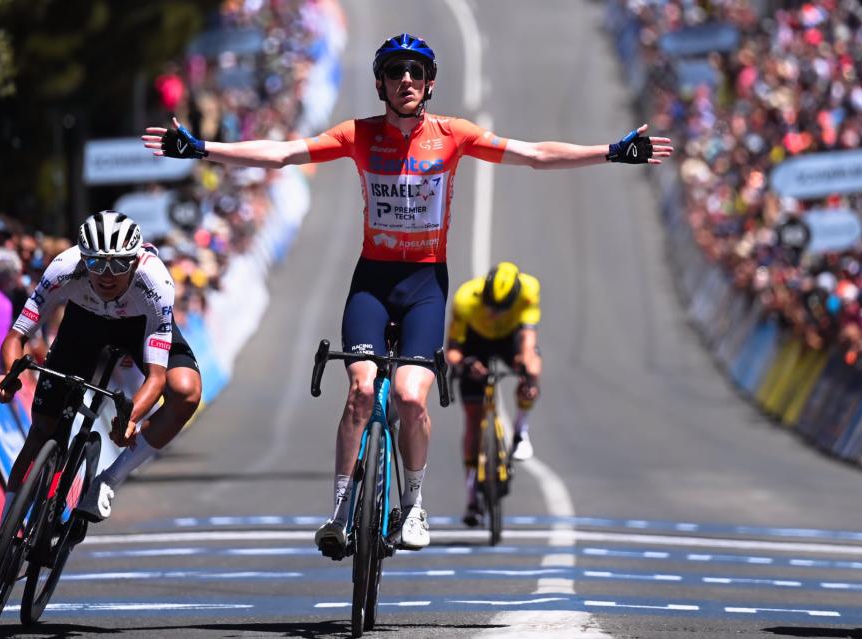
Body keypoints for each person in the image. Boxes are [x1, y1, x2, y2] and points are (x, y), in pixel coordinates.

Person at [143, 33, 672, 552]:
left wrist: (611, 152)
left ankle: (414, 505)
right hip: (371, 282)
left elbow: (533, 154)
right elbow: (282, 154)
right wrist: (202, 148)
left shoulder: (454, 135)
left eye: (415, 72)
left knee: (410, 395)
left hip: (425, 285)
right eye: (395, 72)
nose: (405, 81)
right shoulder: (358, 135)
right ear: (381, 84)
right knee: (358, 392)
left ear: (430, 83)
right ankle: (339, 511)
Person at [0, 211, 203, 593]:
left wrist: (131, 417)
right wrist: (10, 375)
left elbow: (157, 377)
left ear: (135, 260)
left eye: (118, 264)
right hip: (84, 323)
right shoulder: (63, 268)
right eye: (96, 262)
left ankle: (108, 480)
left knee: (186, 391)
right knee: (41, 432)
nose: (107, 274)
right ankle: (1, 552)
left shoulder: (155, 281)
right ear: (83, 258)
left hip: (138, 324)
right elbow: (18, 336)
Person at [445, 262, 542, 526]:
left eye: (501, 309)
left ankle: (521, 432)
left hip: (509, 340)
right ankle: (472, 501)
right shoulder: (466, 298)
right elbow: (452, 351)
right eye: (490, 305)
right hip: (475, 344)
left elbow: (527, 339)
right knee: (474, 420)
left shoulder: (529, 290)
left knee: (532, 364)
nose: (493, 313)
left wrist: (525, 371)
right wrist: (465, 365)